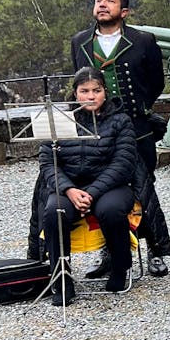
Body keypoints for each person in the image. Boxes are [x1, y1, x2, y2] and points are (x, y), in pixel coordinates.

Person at [69, 0, 170, 277]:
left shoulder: (143, 41)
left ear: (123, 11)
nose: (102, 5)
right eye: (99, 0)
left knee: (144, 188)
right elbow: (78, 83)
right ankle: (111, 253)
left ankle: (154, 251)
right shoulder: (79, 42)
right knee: (99, 188)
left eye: (110, 1)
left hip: (136, 129)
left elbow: (156, 83)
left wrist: (137, 109)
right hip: (96, 131)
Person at [40, 67, 138, 305]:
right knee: (54, 212)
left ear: (105, 92)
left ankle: (119, 268)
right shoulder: (59, 121)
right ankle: (62, 280)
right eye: (84, 91)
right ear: (75, 93)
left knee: (110, 211)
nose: (91, 96)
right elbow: (47, 162)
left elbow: (123, 163)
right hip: (70, 188)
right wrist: (69, 190)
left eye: (97, 90)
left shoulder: (120, 121)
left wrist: (91, 193)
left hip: (111, 187)